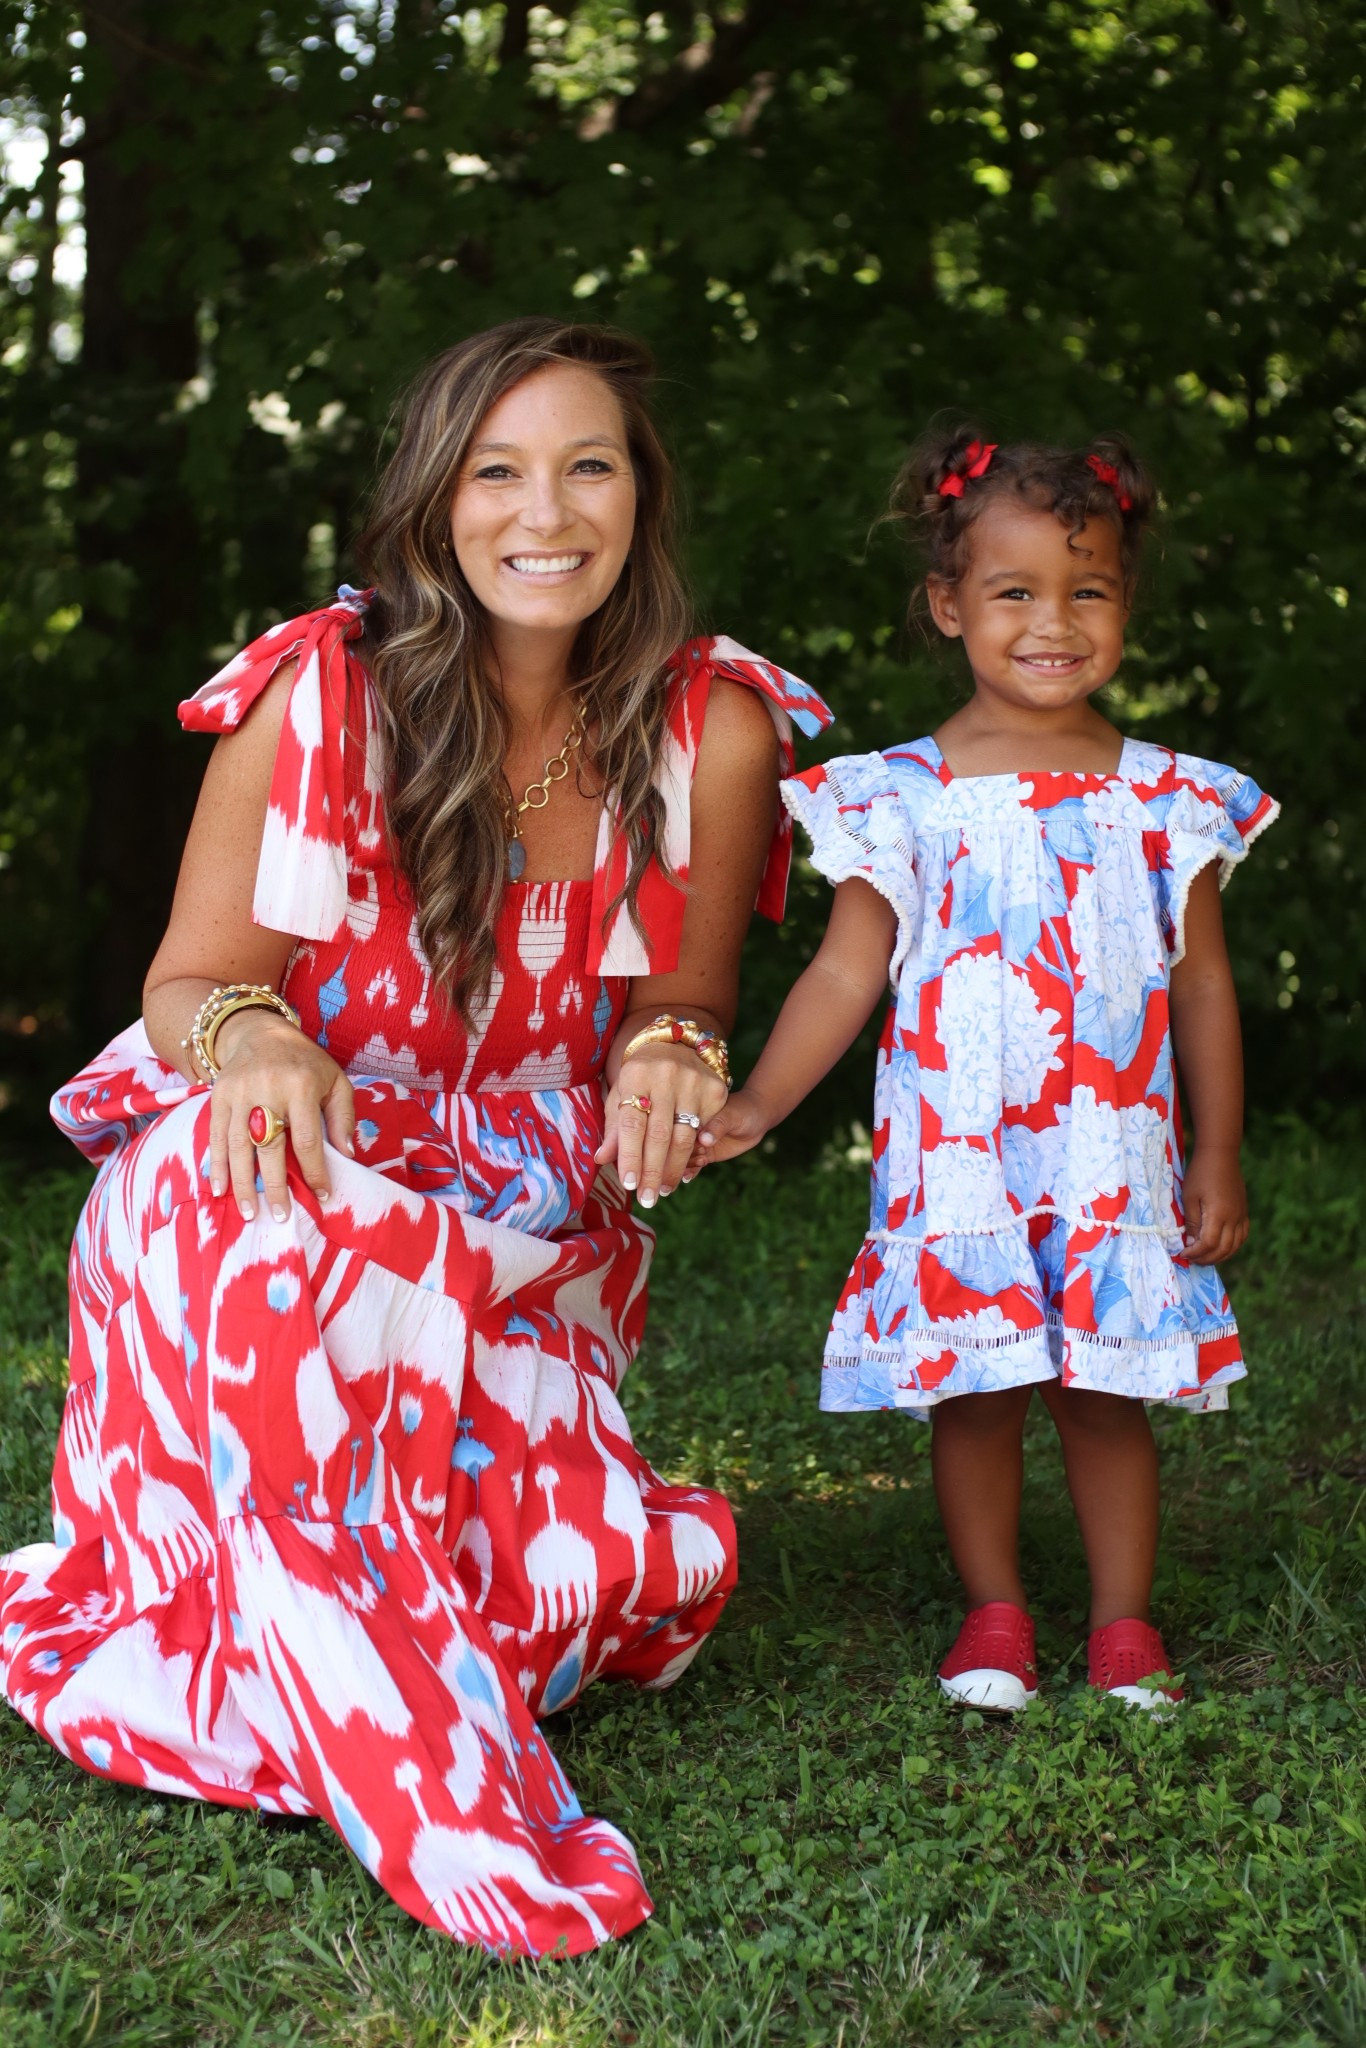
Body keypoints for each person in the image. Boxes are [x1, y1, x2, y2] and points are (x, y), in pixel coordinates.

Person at [0, 318, 832, 1955]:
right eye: (496, 471)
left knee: (546, 1599)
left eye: (587, 464)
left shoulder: (712, 728)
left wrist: (669, 1055)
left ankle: (344, 1667)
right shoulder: (317, 694)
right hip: (277, 1168)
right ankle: (419, 1775)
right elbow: (190, 984)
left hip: (512, 1221)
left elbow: (682, 1000)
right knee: (239, 1207)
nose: (546, 510)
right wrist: (255, 1044)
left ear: (640, 496)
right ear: (433, 506)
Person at [694, 427, 1277, 1715]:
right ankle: (996, 1617)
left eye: (1089, 590)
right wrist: (752, 1106)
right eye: (1013, 592)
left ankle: (1126, 1626)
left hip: (1110, 1154)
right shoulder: (898, 797)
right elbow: (847, 976)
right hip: (960, 1158)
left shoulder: (1168, 800)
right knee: (980, 1387)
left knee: (1107, 1395)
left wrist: (1218, 1151)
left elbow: (1204, 984)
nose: (1051, 623)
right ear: (950, 606)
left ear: (1126, 602)